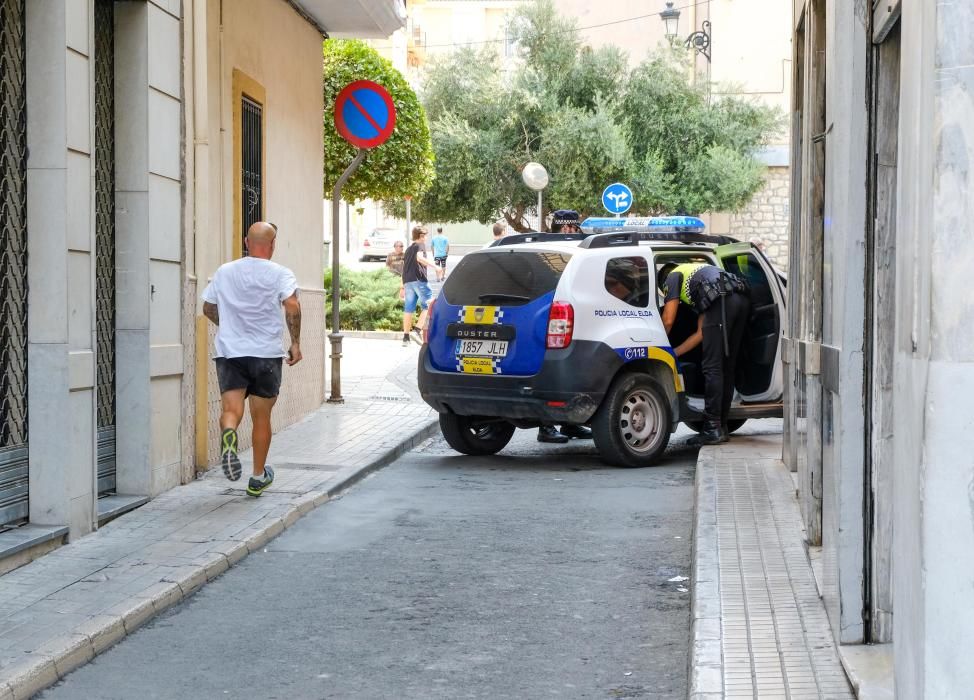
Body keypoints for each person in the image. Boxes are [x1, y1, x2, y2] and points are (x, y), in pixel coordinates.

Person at [201, 221, 301, 497]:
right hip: (266, 355)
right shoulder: (281, 273)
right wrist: (295, 342)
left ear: (247, 242)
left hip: (231, 353)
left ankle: (229, 433)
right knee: (261, 417)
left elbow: (208, 307)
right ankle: (257, 477)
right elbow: (292, 305)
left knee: (231, 410)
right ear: (272, 245)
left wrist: (229, 326)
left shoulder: (225, 271)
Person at [658, 261, 750, 445]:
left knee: (712, 367)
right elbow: (701, 334)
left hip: (723, 300)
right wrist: (673, 353)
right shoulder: (700, 278)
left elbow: (668, 320)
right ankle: (721, 426)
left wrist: (658, 346)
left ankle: (712, 428)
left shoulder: (672, 276)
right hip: (740, 299)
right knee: (725, 367)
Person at [537, 209, 593, 444]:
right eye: (568, 227)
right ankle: (546, 426)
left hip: (572, 318)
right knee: (550, 375)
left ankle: (571, 424)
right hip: (551, 317)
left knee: (573, 376)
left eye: (573, 227)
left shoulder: (577, 249)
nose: (571, 231)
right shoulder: (550, 252)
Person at [402, 226, 442, 346]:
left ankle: (406, 338)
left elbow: (404, 267)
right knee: (429, 304)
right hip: (419, 280)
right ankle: (417, 330)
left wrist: (402, 286)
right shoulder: (420, 245)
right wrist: (436, 267)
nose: (426, 238)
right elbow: (419, 258)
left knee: (408, 309)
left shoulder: (408, 249)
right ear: (421, 236)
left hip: (407, 281)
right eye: (425, 236)